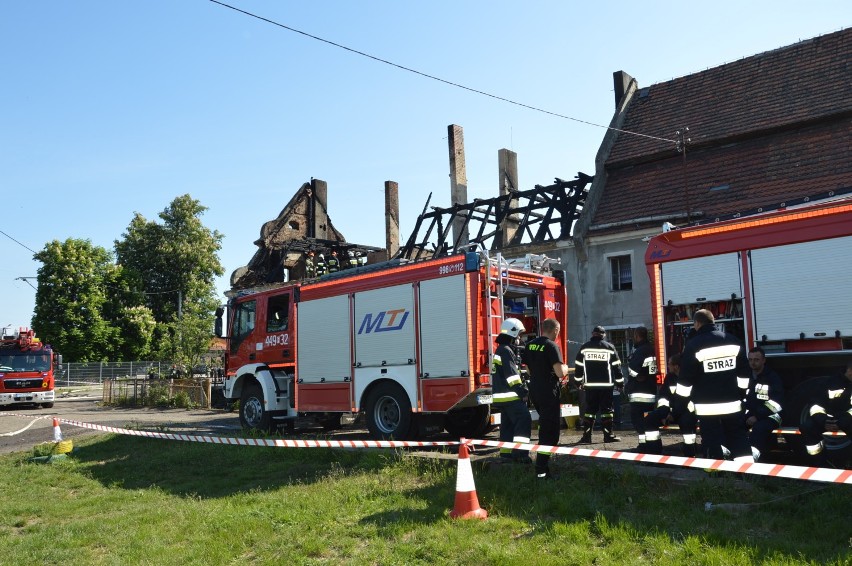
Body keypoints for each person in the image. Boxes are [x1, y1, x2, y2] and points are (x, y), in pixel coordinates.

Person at [676, 309, 753, 462]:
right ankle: (747, 472)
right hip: (732, 403)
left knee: (711, 440)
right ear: (713, 322)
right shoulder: (732, 340)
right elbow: (744, 374)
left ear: (697, 323)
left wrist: (680, 406)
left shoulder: (693, 346)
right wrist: (741, 394)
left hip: (707, 407)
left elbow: (686, 380)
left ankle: (715, 476)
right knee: (738, 437)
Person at [522, 317, 570, 479]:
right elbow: (560, 373)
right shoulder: (551, 346)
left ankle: (542, 466)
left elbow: (528, 370)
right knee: (551, 431)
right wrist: (565, 368)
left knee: (544, 424)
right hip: (549, 391)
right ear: (555, 330)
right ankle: (541, 469)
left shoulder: (530, 345)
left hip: (535, 389)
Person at [491, 317, 532, 464]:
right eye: (519, 335)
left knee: (507, 426)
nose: (520, 339)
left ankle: (506, 453)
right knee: (524, 420)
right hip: (511, 397)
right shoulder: (507, 351)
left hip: (502, 398)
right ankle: (521, 454)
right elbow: (512, 377)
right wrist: (524, 392)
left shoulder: (501, 349)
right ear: (513, 333)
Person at [574, 325, 623, 444]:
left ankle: (586, 437)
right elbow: (617, 367)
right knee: (606, 410)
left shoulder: (584, 347)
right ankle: (608, 435)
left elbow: (579, 366)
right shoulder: (609, 347)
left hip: (590, 385)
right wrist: (620, 383)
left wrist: (578, 381)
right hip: (606, 386)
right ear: (604, 335)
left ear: (592, 333)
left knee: (590, 410)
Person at [643, 353, 698, 456]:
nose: (668, 366)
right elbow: (663, 396)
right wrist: (664, 413)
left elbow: (687, 402)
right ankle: (654, 453)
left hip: (687, 412)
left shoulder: (689, 378)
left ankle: (690, 455)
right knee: (649, 418)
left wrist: (673, 415)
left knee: (687, 422)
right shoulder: (669, 378)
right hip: (670, 412)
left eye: (669, 364)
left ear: (676, 366)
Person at [799, 360, 852, 464]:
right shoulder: (830, 382)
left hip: (848, 420)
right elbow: (815, 404)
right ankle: (819, 464)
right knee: (807, 428)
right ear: (849, 370)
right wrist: (824, 420)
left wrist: (844, 420)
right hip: (827, 420)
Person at [743, 347, 784, 462]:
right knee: (734, 426)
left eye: (756, 360)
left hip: (771, 416)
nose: (753, 363)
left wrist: (757, 416)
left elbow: (776, 403)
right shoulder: (746, 377)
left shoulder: (772, 378)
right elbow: (742, 399)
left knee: (759, 430)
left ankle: (753, 462)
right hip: (750, 416)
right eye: (750, 360)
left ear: (763, 360)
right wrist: (747, 416)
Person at [626, 326, 657, 452]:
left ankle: (644, 446)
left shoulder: (640, 351)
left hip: (639, 394)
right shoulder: (651, 349)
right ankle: (651, 446)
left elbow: (633, 370)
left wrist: (634, 374)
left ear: (638, 336)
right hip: (650, 391)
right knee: (648, 421)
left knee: (638, 421)